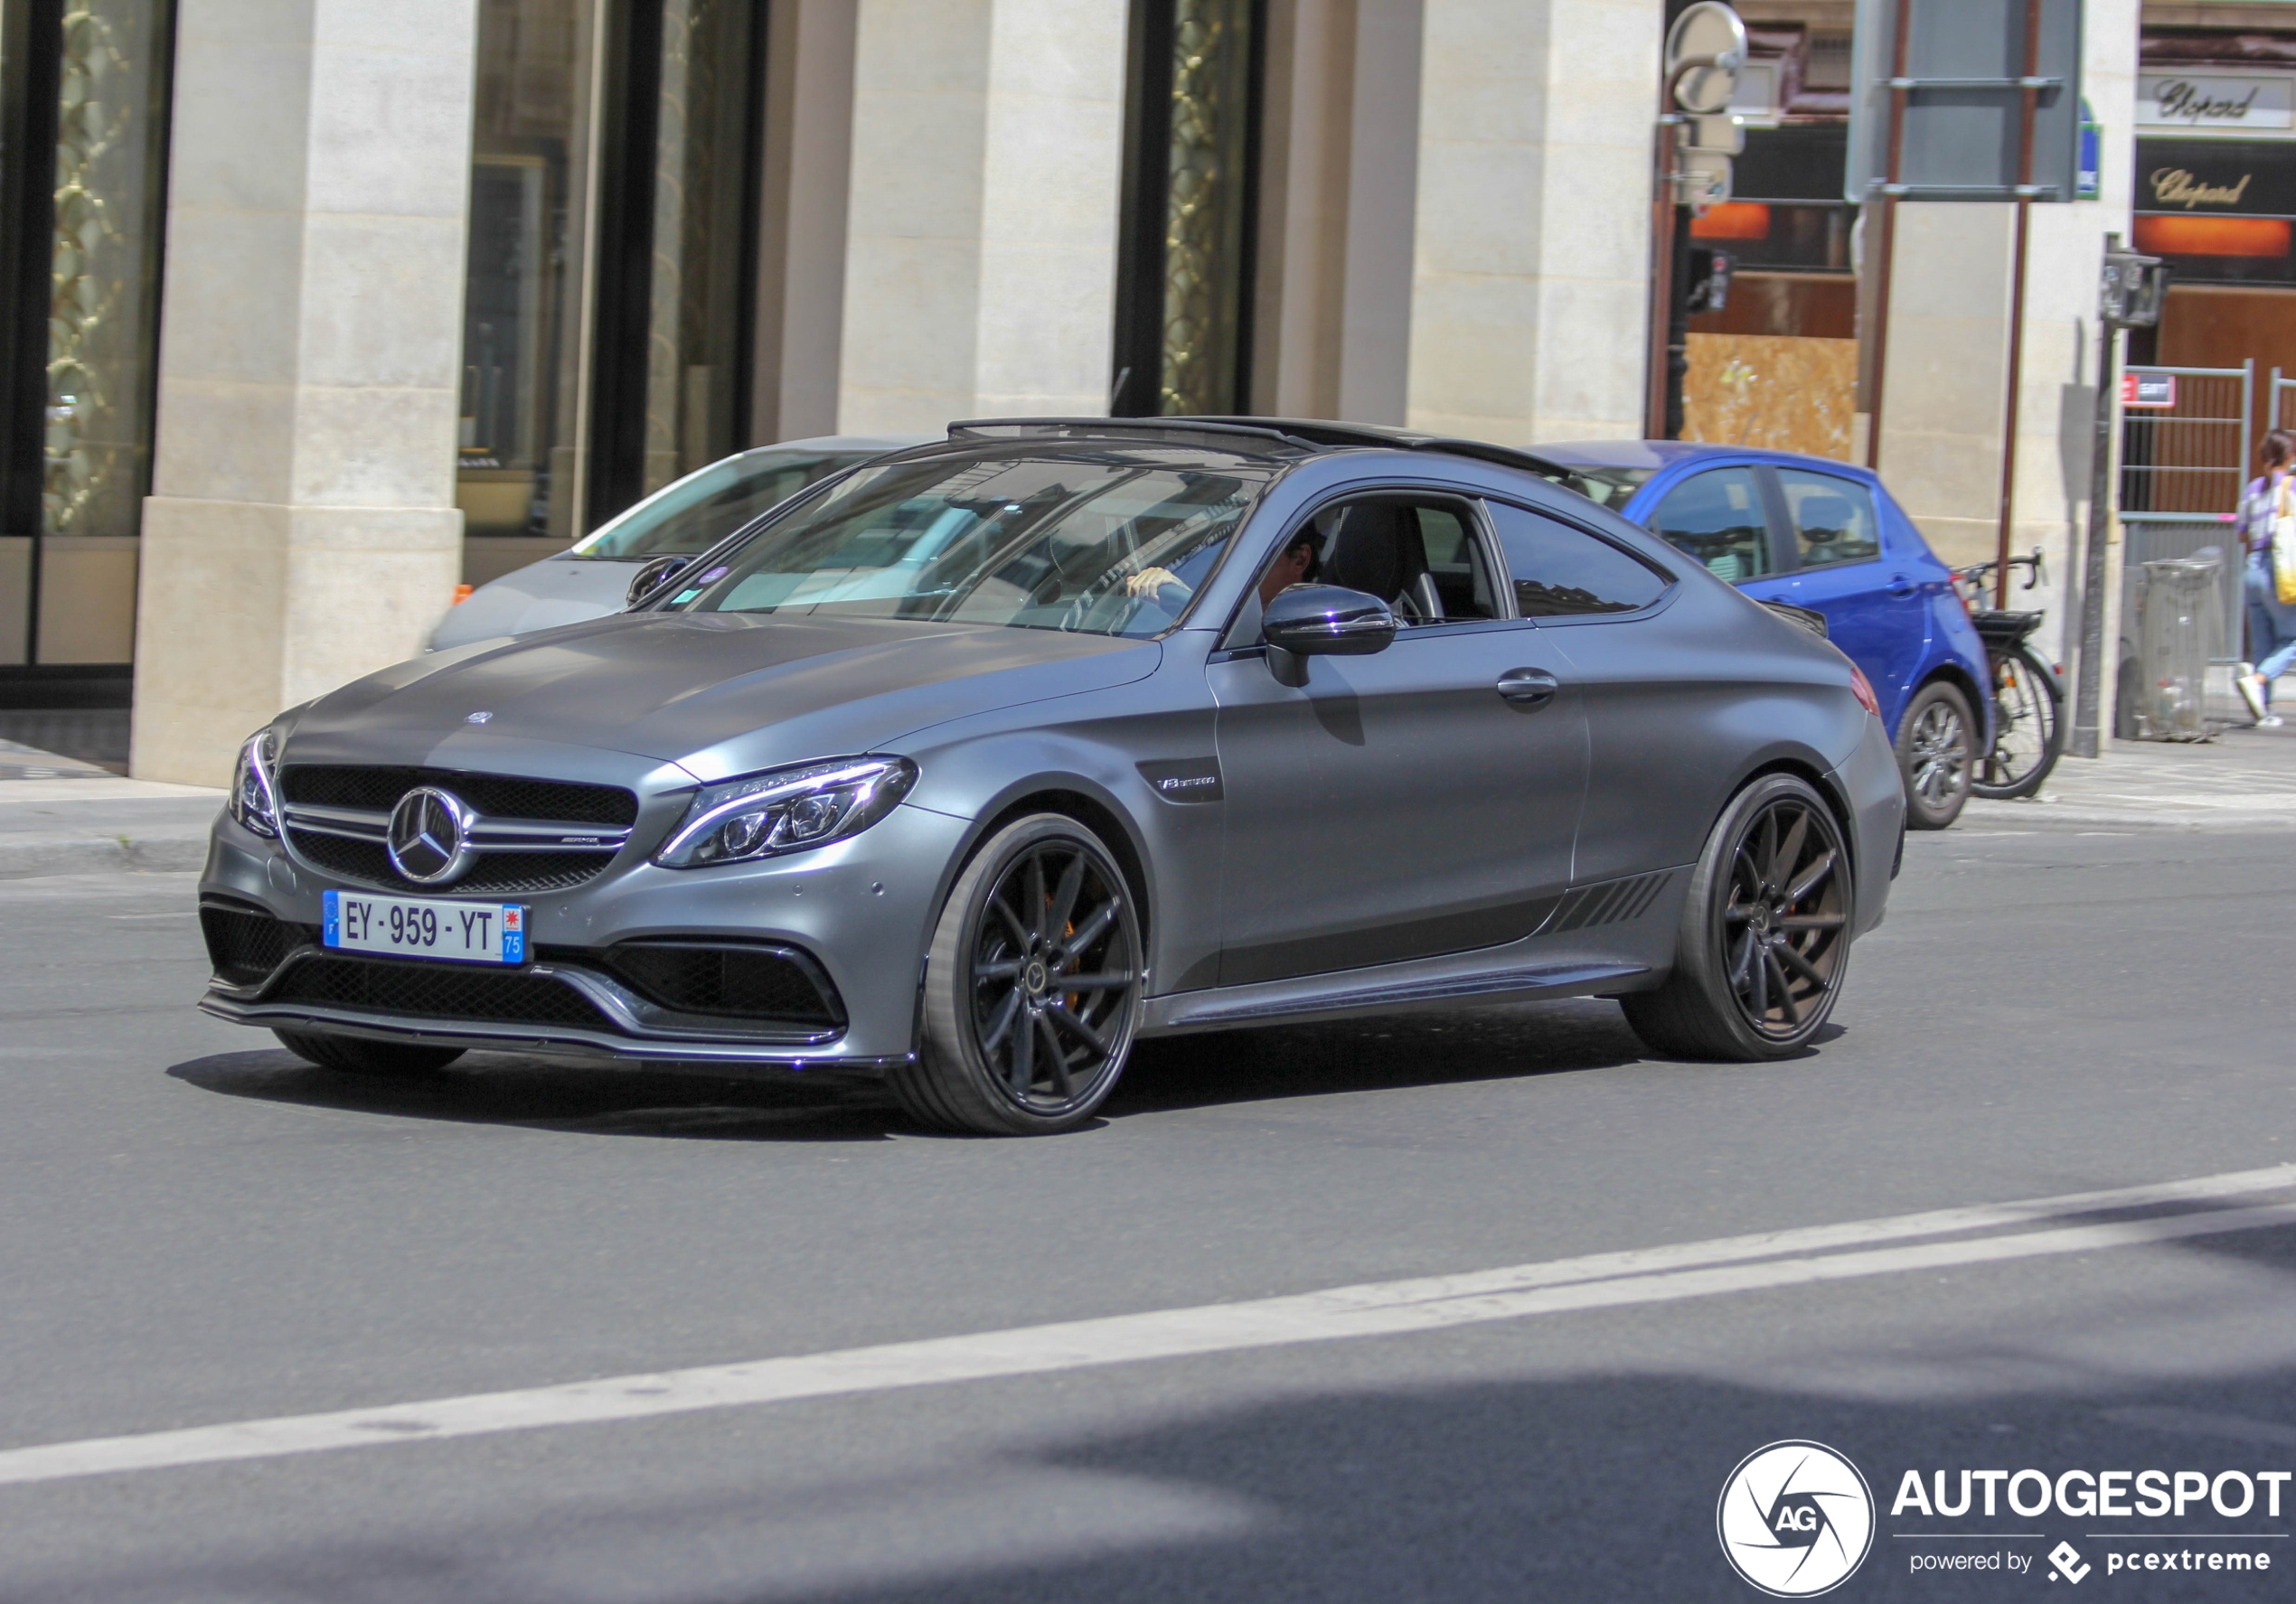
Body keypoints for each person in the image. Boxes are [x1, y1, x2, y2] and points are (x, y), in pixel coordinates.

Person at [2237, 430, 2296, 727]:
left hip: (2253, 568)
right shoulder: (2293, 488)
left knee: (2262, 644)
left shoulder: (2252, 489)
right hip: (2279, 570)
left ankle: (2264, 711)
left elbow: (2242, 533)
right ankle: (2259, 680)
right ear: (2289, 457)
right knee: (2292, 639)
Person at [1125, 528, 1322, 612]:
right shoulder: (1222, 589)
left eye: (1253, 553)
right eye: (1229, 551)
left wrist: (1182, 596)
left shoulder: (1315, 621)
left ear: (1299, 559)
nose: (1237, 564)